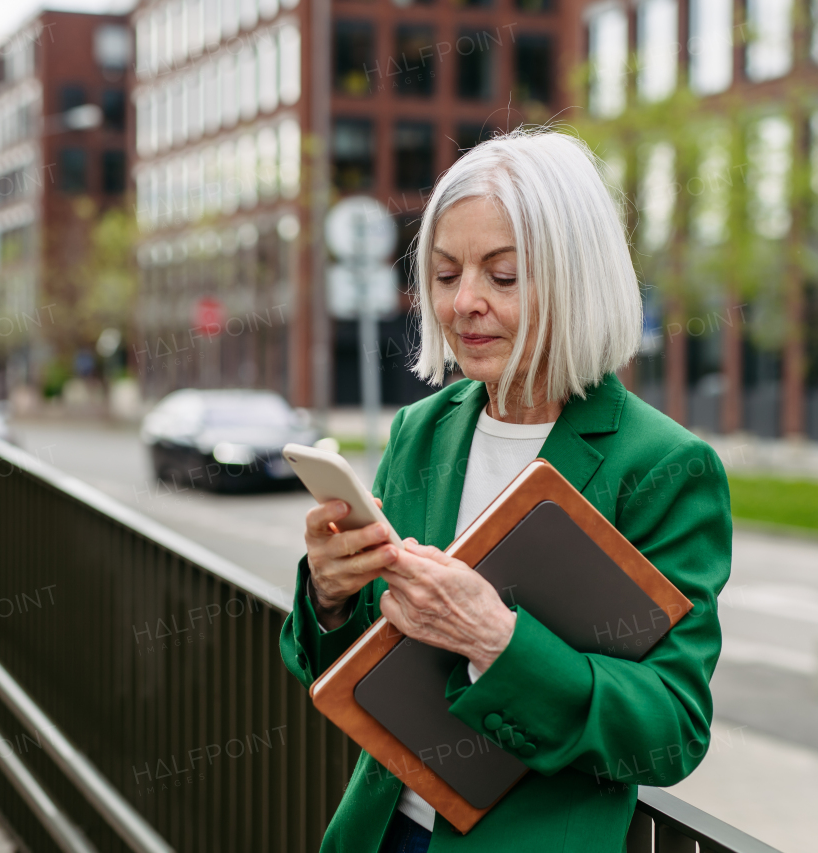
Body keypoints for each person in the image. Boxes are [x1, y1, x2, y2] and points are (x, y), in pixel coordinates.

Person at [279, 128, 732, 853]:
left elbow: (672, 731)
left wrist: (499, 640)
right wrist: (331, 595)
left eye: (503, 274)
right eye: (446, 273)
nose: (465, 302)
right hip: (381, 833)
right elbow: (360, 661)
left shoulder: (665, 466)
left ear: (573, 277)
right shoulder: (420, 432)